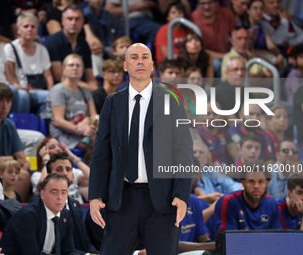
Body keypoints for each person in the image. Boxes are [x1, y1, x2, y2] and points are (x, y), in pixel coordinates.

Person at [89, 43, 193, 254]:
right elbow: (101, 154)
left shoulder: (170, 102)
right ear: (125, 66)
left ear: (152, 66)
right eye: (134, 57)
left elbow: (183, 151)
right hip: (122, 199)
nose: (140, 61)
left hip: (162, 201)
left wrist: (182, 195)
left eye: (145, 57)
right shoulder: (112, 103)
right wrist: (95, 196)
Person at [0, 174, 80, 255]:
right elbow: (32, 253)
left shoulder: (66, 215)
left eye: (63, 192)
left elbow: (68, 250)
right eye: (54, 192)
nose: (59, 197)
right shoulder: (28, 216)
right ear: (42, 195)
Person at [44, 152, 99, 254]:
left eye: (68, 169)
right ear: (49, 176)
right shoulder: (43, 205)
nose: (65, 173)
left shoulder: (75, 204)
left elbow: (85, 242)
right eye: (59, 169)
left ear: (73, 176)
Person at [41, 54, 97, 149]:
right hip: (64, 134)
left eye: (78, 65)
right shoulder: (58, 90)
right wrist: (79, 128)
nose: (75, 68)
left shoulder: (85, 92)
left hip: (85, 132)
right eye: (71, 65)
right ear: (63, 69)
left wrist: (88, 123)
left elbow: (94, 117)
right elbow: (58, 121)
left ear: (82, 70)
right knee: (99, 145)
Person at [4, 12, 53, 114]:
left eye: (33, 27)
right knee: (23, 96)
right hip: (21, 89)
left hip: (39, 90)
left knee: (53, 96)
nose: (30, 29)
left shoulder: (42, 49)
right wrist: (19, 87)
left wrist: (51, 89)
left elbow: (48, 75)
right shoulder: (10, 48)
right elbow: (10, 76)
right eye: (26, 26)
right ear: (18, 30)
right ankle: (22, 126)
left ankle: (41, 124)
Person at [214, 161, 282, 230]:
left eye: (261, 182)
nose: (256, 186)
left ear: (267, 183)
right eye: (251, 181)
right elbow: (227, 239)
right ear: (243, 183)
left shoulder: (272, 204)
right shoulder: (228, 202)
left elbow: (276, 238)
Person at [44, 4, 98, 90]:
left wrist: (94, 87)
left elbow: (90, 76)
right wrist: (87, 87)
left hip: (78, 87)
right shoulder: (52, 41)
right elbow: (59, 76)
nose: (73, 23)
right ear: (63, 21)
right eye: (70, 19)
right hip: (59, 88)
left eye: (77, 19)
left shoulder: (84, 44)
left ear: (82, 22)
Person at [32, 136, 90, 203]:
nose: (58, 149)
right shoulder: (37, 175)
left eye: (59, 146)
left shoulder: (71, 171)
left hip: (76, 211)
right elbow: (43, 183)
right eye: (52, 147)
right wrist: (45, 161)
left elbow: (93, 179)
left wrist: (72, 157)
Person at [191, 0, 237, 77]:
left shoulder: (226, 14)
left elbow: (235, 35)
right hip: (204, 58)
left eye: (210, 3)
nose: (206, 7)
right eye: (203, 4)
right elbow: (198, 49)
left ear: (216, 3)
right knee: (217, 64)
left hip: (225, 54)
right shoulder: (193, 18)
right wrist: (225, 56)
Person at [195, 100, 239, 165]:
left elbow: (236, 154)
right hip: (208, 172)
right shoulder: (196, 132)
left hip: (226, 169)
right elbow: (207, 162)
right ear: (202, 115)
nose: (211, 117)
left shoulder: (222, 130)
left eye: (215, 114)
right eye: (208, 114)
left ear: (221, 116)